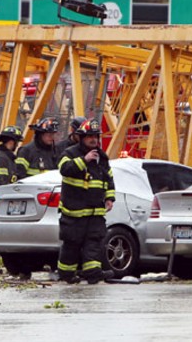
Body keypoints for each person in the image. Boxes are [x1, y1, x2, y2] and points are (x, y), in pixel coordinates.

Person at [56, 118, 116, 284]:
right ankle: (66, 274)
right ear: (81, 137)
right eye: (90, 136)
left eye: (96, 136)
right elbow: (64, 169)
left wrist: (110, 197)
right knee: (72, 245)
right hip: (74, 212)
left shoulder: (102, 157)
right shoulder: (70, 153)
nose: (94, 139)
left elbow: (109, 179)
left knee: (94, 242)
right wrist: (84, 160)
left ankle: (93, 273)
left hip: (95, 212)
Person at [0, 125, 24, 195]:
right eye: (17, 142)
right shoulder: (1, 159)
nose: (17, 145)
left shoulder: (7, 158)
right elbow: (1, 184)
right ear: (11, 142)